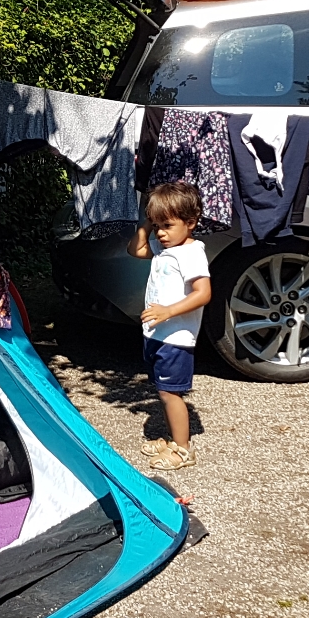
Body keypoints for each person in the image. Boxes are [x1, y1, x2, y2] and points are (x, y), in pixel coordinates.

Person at [125, 181, 212, 471]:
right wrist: (145, 225)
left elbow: (203, 293)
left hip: (176, 336)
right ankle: (172, 437)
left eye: (167, 225)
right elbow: (134, 250)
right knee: (162, 389)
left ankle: (184, 449)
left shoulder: (191, 253)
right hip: (157, 333)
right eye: (157, 225)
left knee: (170, 392)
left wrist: (168, 312)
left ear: (191, 223)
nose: (161, 233)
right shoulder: (166, 248)